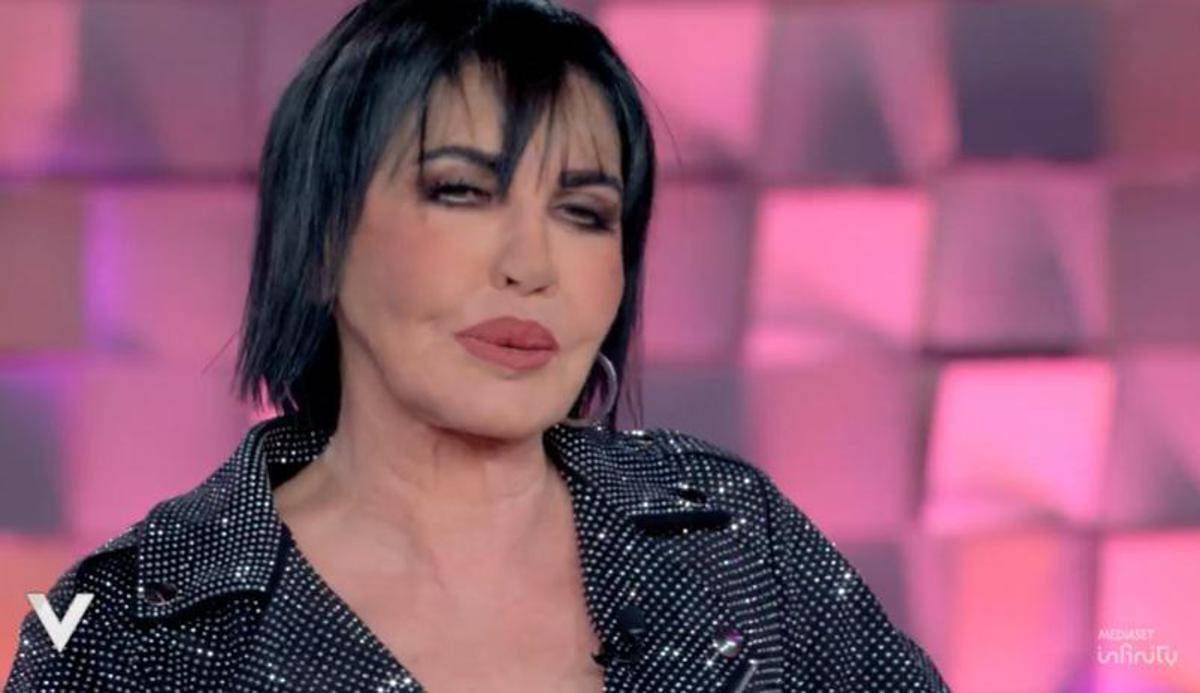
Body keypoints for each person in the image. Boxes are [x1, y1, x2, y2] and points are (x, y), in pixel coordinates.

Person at [4, 0, 950, 691]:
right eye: (460, 191)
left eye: (584, 213)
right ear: (321, 237)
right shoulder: (129, 628)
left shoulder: (733, 538)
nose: (531, 266)